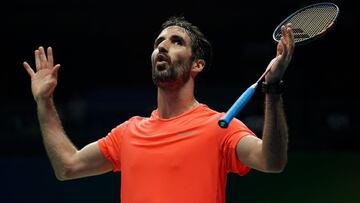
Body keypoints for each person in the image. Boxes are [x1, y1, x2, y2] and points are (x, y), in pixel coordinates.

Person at [23, 16, 294, 203]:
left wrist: (272, 88)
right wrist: (44, 101)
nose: (162, 46)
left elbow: (272, 162)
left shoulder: (219, 127)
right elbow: (67, 167)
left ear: (196, 65)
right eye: (158, 43)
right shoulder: (127, 133)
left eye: (177, 41)